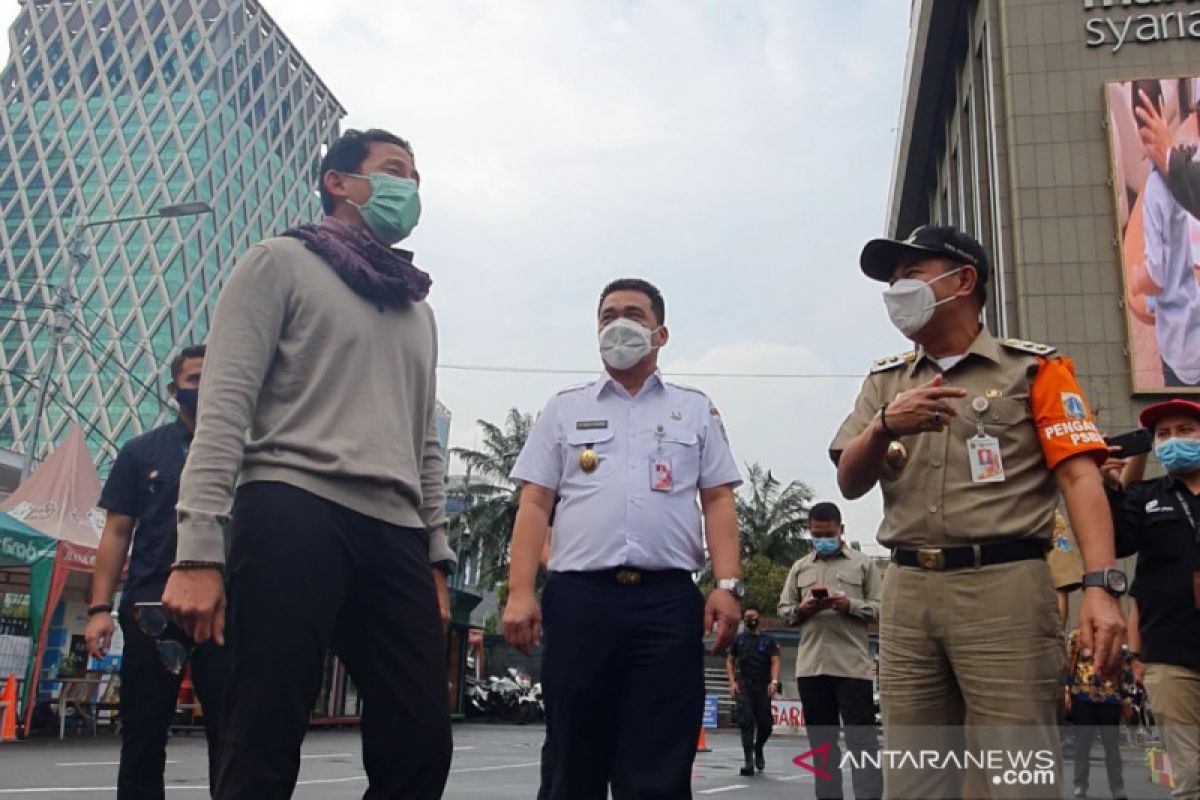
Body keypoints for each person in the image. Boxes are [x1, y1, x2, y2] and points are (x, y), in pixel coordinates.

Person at [161, 128, 455, 799]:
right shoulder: (277, 263)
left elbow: (425, 445)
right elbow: (224, 407)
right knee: (263, 727)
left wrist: (435, 558)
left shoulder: (418, 310)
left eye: (415, 176)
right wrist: (197, 549)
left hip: (395, 529)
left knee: (420, 740)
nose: (408, 188)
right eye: (392, 170)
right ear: (339, 183)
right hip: (292, 506)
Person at [831, 225, 1126, 799]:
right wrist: (887, 423)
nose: (896, 292)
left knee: (1017, 774)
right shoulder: (886, 382)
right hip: (909, 589)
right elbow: (849, 481)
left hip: (1005, 588)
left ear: (963, 279)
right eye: (891, 282)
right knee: (914, 777)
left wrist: (1100, 586)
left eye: (911, 277)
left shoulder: (1034, 371)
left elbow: (1080, 477)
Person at [502, 278, 743, 800]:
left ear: (660, 333)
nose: (619, 324)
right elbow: (535, 503)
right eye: (608, 315)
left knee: (659, 759)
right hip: (580, 600)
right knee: (572, 755)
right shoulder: (564, 408)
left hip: (667, 603)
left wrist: (727, 585)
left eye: (633, 314)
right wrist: (520, 591)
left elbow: (718, 501)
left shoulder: (695, 410)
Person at [84, 345, 231, 800]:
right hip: (150, 611)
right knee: (143, 737)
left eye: (213, 378)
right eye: (193, 380)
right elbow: (115, 533)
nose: (203, 389)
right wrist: (99, 608)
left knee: (233, 739)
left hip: (226, 613)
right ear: (174, 389)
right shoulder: (139, 452)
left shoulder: (245, 455)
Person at [1108, 398, 1200, 800]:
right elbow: (1120, 543)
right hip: (1170, 654)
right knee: (1191, 772)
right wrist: (1110, 487)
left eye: (1185, 431)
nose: (1173, 440)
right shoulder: (1146, 495)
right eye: (1163, 434)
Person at [777, 501, 882, 800]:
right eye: (816, 534)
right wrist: (803, 608)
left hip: (852, 667)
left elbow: (881, 608)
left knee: (862, 741)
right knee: (821, 745)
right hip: (812, 669)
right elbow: (784, 610)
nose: (822, 539)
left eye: (828, 533)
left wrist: (849, 605)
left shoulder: (863, 565)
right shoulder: (800, 568)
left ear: (841, 530)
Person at [1131, 81, 1200, 388]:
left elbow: (1155, 277)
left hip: (1183, 350)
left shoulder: (1159, 188)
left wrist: (1136, 278)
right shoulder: (1183, 168)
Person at [1065, 627, 1134, 800]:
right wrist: (1066, 691)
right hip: (1082, 694)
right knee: (1082, 744)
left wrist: (1126, 698)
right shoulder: (1077, 636)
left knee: (1112, 746)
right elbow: (1069, 664)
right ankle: (1080, 784)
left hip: (1110, 697)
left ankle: (1117, 787)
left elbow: (1124, 669)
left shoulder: (1116, 634)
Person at [725, 607, 781, 777]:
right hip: (744, 687)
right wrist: (732, 682)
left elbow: (775, 661)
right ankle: (748, 762)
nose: (750, 620)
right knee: (746, 722)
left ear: (759, 618)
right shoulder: (739, 640)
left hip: (763, 687)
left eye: (753, 616)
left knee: (766, 726)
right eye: (747, 617)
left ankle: (759, 748)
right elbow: (730, 661)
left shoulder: (769, 640)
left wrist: (774, 681)